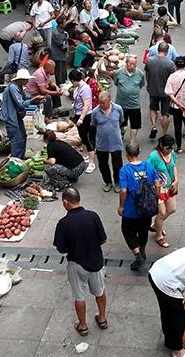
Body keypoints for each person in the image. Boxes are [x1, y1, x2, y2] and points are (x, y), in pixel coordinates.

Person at [54, 187, 108, 336]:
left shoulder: (63, 223)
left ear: (66, 202)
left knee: (79, 296)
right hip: (96, 262)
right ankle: (102, 318)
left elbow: (61, 248)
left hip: (76, 263)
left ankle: (83, 326)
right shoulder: (93, 216)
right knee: (100, 291)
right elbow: (103, 239)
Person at [118, 142, 160, 271]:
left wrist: (121, 206)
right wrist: (155, 198)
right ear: (139, 151)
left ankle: (138, 255)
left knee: (128, 231)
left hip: (131, 210)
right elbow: (157, 183)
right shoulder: (148, 166)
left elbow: (123, 190)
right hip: (146, 209)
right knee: (143, 231)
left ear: (126, 155)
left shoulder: (125, 170)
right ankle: (142, 250)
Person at [2, 69, 44, 159]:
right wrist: (33, 100)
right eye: (26, 80)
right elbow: (21, 104)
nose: (28, 81)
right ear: (20, 79)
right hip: (10, 115)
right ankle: (15, 159)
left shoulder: (19, 87)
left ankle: (21, 155)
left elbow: (26, 97)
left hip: (17, 115)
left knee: (23, 135)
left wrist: (36, 99)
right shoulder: (13, 88)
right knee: (17, 138)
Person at [148, 135, 179, 249]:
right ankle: (159, 235)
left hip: (169, 187)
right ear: (161, 145)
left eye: (171, 148)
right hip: (157, 189)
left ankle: (156, 225)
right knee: (162, 212)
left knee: (172, 209)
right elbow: (148, 172)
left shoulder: (172, 153)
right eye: (167, 148)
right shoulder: (154, 156)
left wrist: (176, 180)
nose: (169, 150)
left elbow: (174, 165)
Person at [91, 91, 124, 192]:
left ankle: (118, 182)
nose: (101, 105)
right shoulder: (95, 112)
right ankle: (108, 182)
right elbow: (94, 125)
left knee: (117, 165)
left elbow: (121, 121)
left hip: (116, 142)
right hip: (101, 144)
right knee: (103, 164)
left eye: (104, 102)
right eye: (100, 102)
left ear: (110, 100)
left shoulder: (118, 109)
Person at [145, 42, 176, 140]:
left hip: (153, 89)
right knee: (165, 114)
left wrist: (149, 84)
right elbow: (173, 79)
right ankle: (164, 133)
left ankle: (153, 125)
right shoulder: (170, 64)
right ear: (167, 52)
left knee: (153, 108)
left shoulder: (149, 61)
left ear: (158, 49)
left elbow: (147, 73)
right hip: (166, 92)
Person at [70, 68, 96, 173]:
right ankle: (86, 156)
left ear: (74, 80)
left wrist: (81, 118)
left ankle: (91, 162)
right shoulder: (77, 88)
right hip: (77, 114)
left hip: (85, 116)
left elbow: (87, 105)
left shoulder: (85, 89)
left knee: (88, 139)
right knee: (83, 137)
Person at [114, 54, 146, 140]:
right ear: (126, 63)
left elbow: (141, 85)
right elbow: (116, 83)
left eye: (134, 64)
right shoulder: (119, 73)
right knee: (121, 123)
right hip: (121, 104)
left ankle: (132, 141)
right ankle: (122, 132)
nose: (132, 66)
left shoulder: (140, 74)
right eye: (130, 63)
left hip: (134, 104)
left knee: (135, 124)